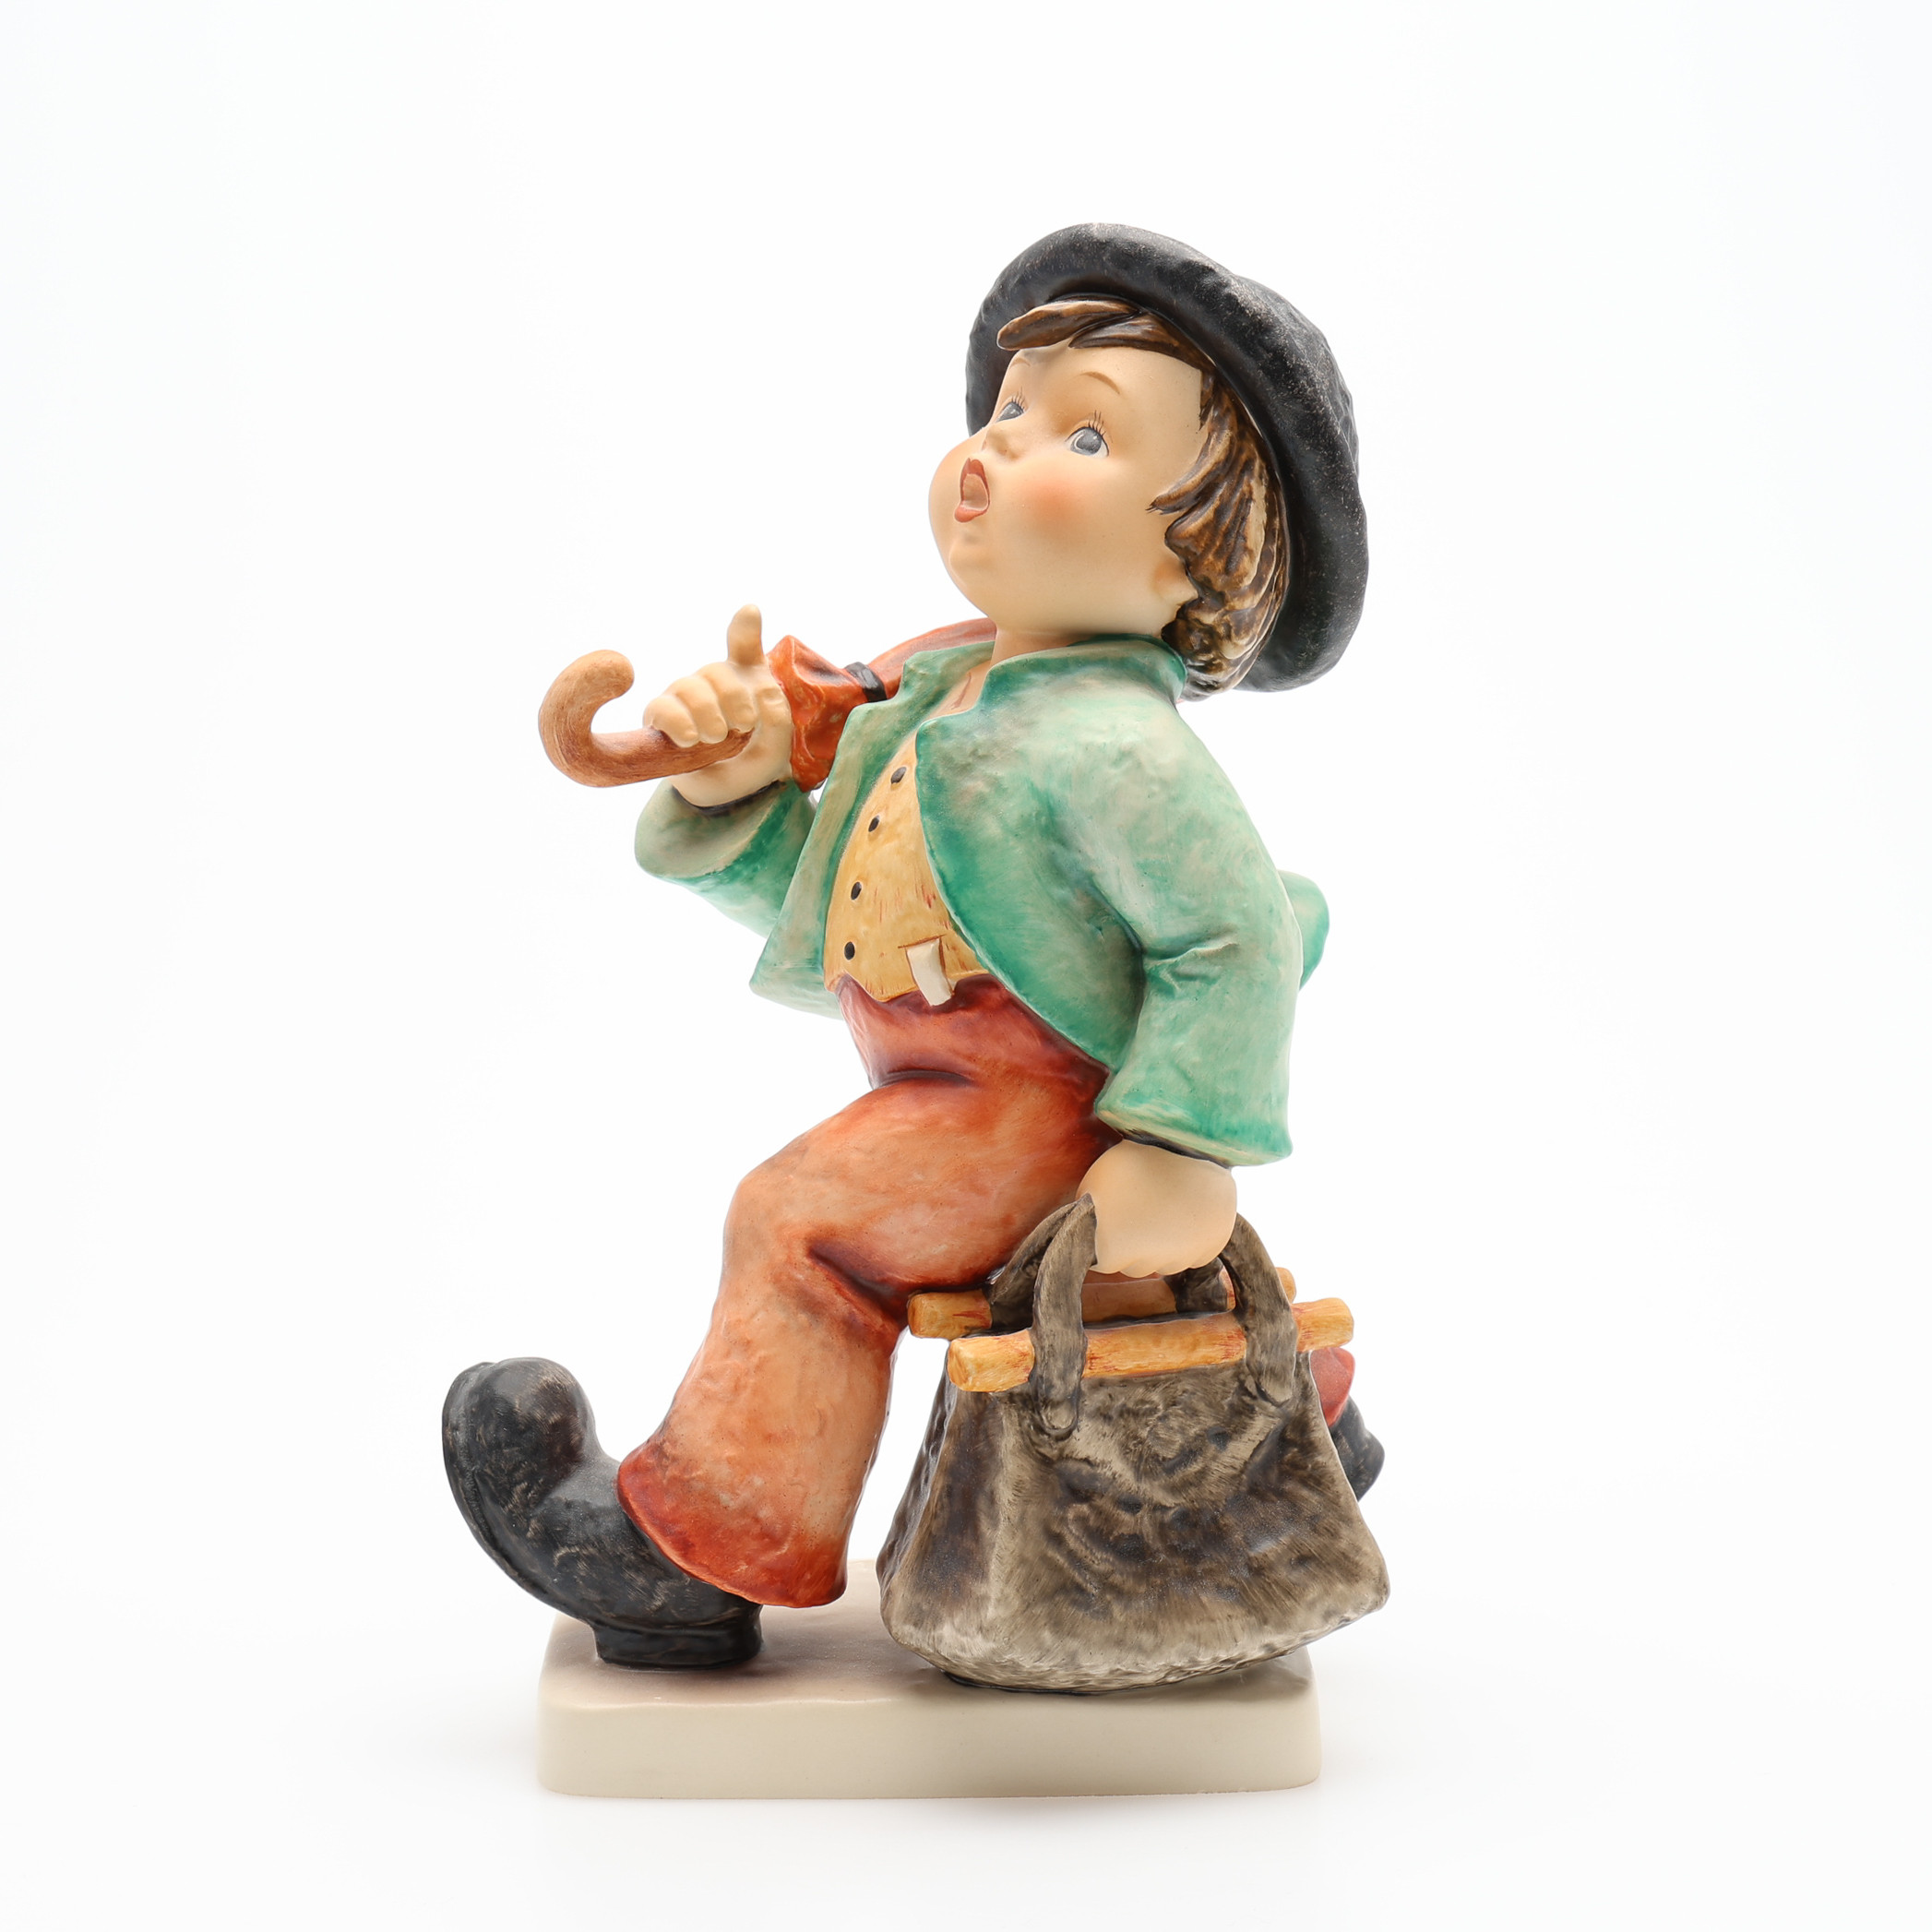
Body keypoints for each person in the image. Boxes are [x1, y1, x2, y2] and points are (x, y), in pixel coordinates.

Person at [445, 225, 1381, 1668]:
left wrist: (1182, 1147)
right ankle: (1308, 1425)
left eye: (1081, 431)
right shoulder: (946, 694)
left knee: (800, 1221)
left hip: (1038, 1108)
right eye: (1007, 408)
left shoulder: (1117, 747)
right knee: (838, 1200)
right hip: (960, 1088)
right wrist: (735, 790)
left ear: (1205, 562)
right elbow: (854, 904)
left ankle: (701, 1547)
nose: (997, 446)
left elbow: (1235, 936)